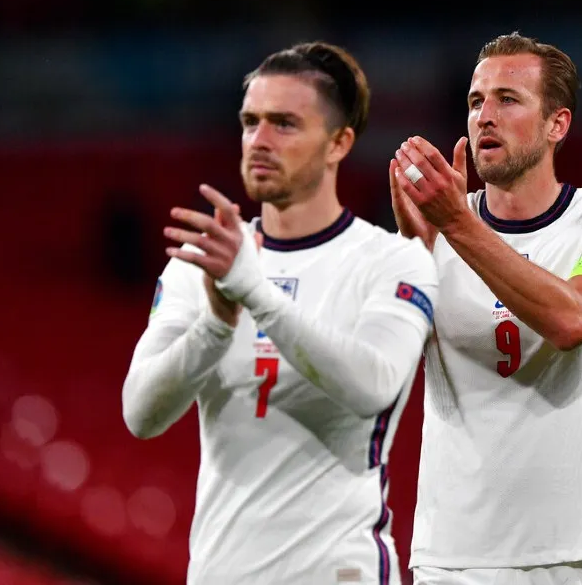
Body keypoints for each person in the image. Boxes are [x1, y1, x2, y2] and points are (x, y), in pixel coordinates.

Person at [122, 41, 438, 585]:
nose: (259, 141)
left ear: (339, 143)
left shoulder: (393, 260)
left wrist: (256, 293)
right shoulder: (202, 265)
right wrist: (215, 324)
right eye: (251, 122)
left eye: (285, 124)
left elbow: (375, 385)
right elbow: (140, 413)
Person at [389, 32, 582, 585]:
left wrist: (458, 227)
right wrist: (411, 258)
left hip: (579, 556)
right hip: (452, 560)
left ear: (557, 124)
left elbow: (574, 319)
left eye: (508, 99)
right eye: (475, 101)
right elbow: (381, 371)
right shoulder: (433, 230)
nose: (485, 116)